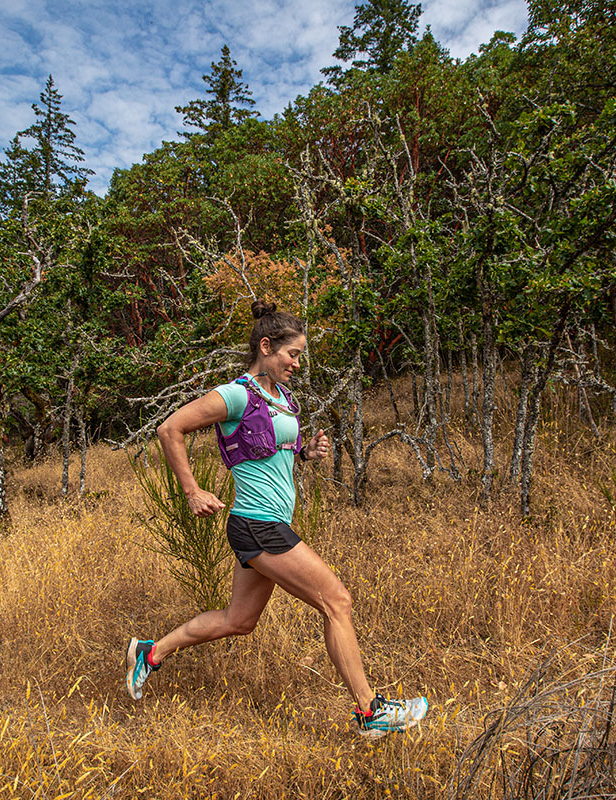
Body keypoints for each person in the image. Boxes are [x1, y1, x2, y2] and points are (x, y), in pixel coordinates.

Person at [125, 300, 428, 738]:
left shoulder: (282, 397)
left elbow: (273, 453)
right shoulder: (236, 394)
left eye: (300, 355)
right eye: (293, 354)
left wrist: (307, 452)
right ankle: (370, 712)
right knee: (336, 601)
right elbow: (169, 429)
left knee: (238, 621)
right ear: (266, 347)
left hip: (266, 522)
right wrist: (192, 491)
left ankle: (151, 652)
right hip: (258, 523)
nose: (297, 364)